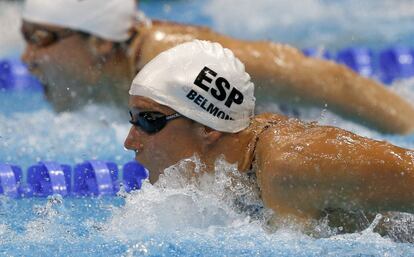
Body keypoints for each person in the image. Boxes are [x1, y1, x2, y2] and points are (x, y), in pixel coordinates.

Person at [123, 40, 414, 226]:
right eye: (132, 119)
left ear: (208, 127)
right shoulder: (239, 170)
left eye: (148, 121)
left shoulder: (292, 162)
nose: (130, 142)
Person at [20, 0, 414, 134]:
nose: (27, 58)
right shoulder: (112, 73)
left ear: (99, 40)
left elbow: (329, 80)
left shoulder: (174, 59)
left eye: (41, 40)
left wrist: (407, 129)